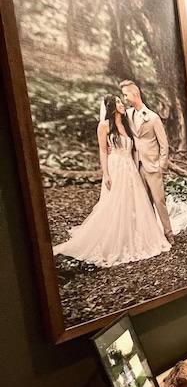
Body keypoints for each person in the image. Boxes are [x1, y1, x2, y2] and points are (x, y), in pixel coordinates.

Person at [53, 95, 171, 267]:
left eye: (122, 102)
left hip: (130, 167)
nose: (122, 104)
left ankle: (134, 234)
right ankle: (116, 238)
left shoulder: (127, 124)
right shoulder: (104, 126)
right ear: (111, 107)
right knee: (116, 202)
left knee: (134, 202)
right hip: (116, 167)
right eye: (119, 102)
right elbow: (102, 151)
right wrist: (106, 174)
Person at [119, 80, 174, 245]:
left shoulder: (153, 117)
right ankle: (151, 235)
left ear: (134, 94)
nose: (125, 98)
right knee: (144, 201)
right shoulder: (127, 115)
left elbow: (164, 145)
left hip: (153, 165)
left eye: (126, 94)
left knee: (159, 200)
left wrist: (161, 166)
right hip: (137, 165)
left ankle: (168, 233)